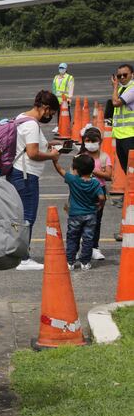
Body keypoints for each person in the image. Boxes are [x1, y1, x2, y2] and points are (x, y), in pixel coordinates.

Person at [8, 90, 61, 271]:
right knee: (27, 216)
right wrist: (51, 156)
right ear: (45, 108)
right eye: (51, 113)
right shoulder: (31, 125)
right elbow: (32, 153)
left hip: (18, 173)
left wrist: (50, 145)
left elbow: (28, 146)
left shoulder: (21, 117)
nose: (50, 117)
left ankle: (17, 253)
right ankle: (24, 258)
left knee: (19, 215)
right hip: (26, 175)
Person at [52, 154, 105, 271]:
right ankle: (85, 262)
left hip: (75, 215)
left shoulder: (73, 180)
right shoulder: (95, 183)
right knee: (88, 239)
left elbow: (61, 171)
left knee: (72, 237)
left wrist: (55, 161)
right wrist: (99, 205)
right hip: (91, 215)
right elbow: (101, 197)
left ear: (76, 170)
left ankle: (70, 261)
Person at [79, 127, 111, 260]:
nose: (91, 143)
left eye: (94, 141)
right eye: (88, 141)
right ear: (84, 142)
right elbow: (74, 175)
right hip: (83, 191)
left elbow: (108, 175)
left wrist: (92, 170)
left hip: (99, 191)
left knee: (96, 220)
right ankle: (80, 247)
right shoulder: (80, 157)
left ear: (100, 141)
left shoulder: (104, 157)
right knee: (81, 220)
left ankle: (94, 247)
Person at [110, 63, 134, 170]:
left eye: (125, 75)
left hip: (130, 135)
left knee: (131, 168)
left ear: (132, 75)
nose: (122, 78)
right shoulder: (121, 90)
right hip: (120, 135)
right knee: (126, 169)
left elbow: (115, 102)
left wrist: (115, 86)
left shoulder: (132, 89)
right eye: (119, 76)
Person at [51, 62, 74, 133]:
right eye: (60, 68)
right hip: (57, 99)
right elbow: (54, 88)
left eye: (62, 68)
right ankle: (58, 126)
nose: (61, 69)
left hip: (65, 99)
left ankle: (67, 126)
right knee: (58, 113)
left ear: (66, 69)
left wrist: (70, 98)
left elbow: (71, 88)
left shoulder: (69, 77)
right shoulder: (56, 77)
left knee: (66, 113)